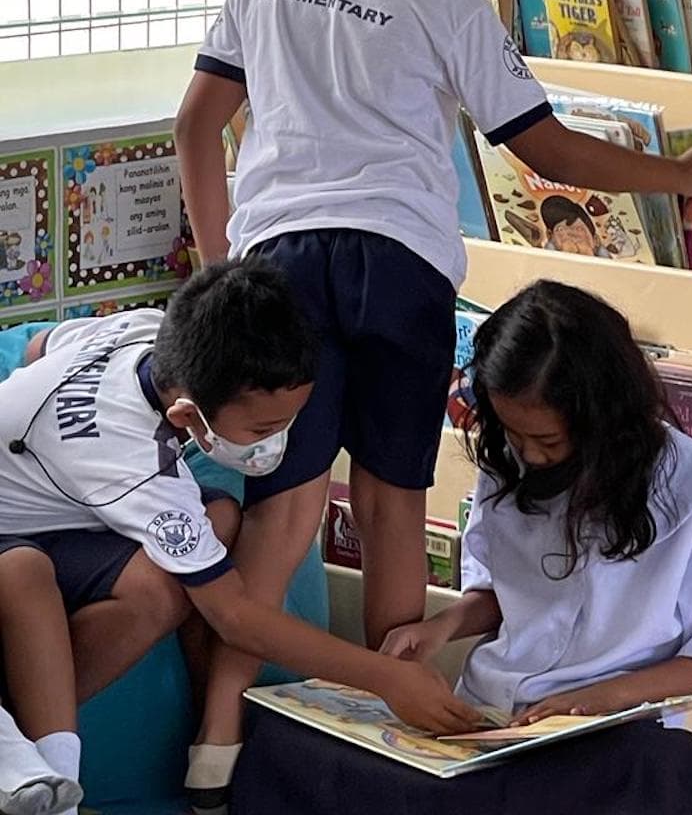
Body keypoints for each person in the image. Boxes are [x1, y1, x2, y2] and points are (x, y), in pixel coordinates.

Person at [174, 0, 692, 806]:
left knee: (287, 508)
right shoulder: (447, 5)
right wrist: (687, 171)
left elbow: (198, 125)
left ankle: (221, 736)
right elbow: (554, 156)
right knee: (395, 501)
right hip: (399, 264)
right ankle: (406, 714)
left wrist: (223, 276)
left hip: (282, 264)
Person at [0, 260, 478, 815]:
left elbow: (37, 349)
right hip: (21, 538)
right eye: (261, 430)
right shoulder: (138, 469)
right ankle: (42, 763)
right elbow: (236, 616)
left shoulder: (138, 332)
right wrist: (387, 678)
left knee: (215, 524)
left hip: (46, 514)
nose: (276, 443)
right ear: (185, 415)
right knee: (181, 573)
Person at [381, 281, 692, 814]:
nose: (530, 456)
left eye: (549, 442)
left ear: (603, 418)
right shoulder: (506, 466)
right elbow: (502, 593)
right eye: (515, 437)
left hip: (608, 733)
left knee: (661, 766)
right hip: (493, 718)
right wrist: (440, 627)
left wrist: (601, 698)